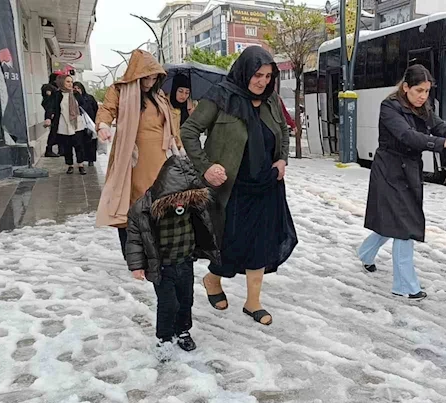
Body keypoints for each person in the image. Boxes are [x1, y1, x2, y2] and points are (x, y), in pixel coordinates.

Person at [182, 46, 297, 326]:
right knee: (230, 242)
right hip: (231, 187)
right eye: (258, 75)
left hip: (267, 185)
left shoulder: (271, 100)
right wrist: (206, 166)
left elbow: (282, 131)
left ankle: (252, 302)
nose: (263, 82)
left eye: (268, 76)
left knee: (261, 243)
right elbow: (189, 131)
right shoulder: (220, 97)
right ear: (245, 71)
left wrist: (282, 159)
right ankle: (212, 279)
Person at [358, 64, 446, 299]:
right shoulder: (389, 107)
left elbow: (440, 126)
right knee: (403, 226)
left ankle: (365, 253)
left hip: (409, 171)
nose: (423, 96)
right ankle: (404, 286)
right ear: (405, 87)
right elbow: (406, 135)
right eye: (418, 91)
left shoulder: (424, 106)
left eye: (426, 91)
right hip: (389, 171)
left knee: (393, 222)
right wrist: (438, 143)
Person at [126, 152, 220, 360]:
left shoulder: (193, 205)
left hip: (185, 261)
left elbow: (206, 225)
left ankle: (183, 331)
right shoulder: (144, 209)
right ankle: (165, 338)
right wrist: (136, 265)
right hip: (161, 266)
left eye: (184, 197)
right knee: (168, 303)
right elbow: (134, 239)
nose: (180, 203)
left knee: (186, 300)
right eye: (176, 197)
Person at [95, 50, 182, 259]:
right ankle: (132, 252)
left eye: (154, 78)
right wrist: (103, 126)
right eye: (147, 78)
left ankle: (154, 248)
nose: (150, 82)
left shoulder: (159, 96)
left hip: (160, 157)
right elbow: (107, 109)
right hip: (132, 157)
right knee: (131, 203)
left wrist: (178, 146)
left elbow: (170, 124)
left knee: (158, 201)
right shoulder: (119, 90)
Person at [43, 75, 87, 175]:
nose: (70, 84)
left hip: (77, 123)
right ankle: (70, 165)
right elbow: (50, 107)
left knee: (79, 145)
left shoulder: (75, 94)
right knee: (67, 147)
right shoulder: (57, 95)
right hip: (63, 124)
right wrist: (48, 118)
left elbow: (84, 105)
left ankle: (81, 165)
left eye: (71, 81)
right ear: (61, 82)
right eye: (67, 81)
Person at [73, 81, 99, 167]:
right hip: (79, 124)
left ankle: (91, 159)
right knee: (81, 142)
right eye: (75, 88)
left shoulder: (89, 98)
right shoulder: (73, 99)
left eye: (78, 88)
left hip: (90, 123)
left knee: (91, 142)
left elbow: (96, 109)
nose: (77, 90)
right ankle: (82, 159)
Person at [42, 73, 60, 157]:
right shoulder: (49, 87)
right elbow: (49, 102)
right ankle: (48, 150)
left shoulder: (56, 88)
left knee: (57, 132)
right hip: (52, 113)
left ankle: (60, 149)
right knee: (54, 132)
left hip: (55, 113)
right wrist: (49, 116)